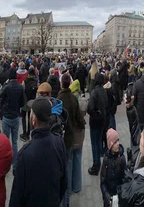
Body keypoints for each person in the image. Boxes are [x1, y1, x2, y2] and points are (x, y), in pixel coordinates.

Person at [9, 97, 67, 207]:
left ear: (34, 120)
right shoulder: (59, 142)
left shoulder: (24, 154)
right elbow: (64, 182)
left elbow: (17, 193)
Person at [58, 73, 86, 207]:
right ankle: (74, 187)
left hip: (63, 136)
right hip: (72, 134)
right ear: (69, 83)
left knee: (66, 164)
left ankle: (67, 192)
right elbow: (78, 116)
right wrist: (81, 125)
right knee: (73, 161)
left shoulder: (59, 98)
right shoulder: (73, 99)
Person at [0, 68, 26, 173]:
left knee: (6, 142)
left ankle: (5, 166)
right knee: (14, 142)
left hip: (6, 116)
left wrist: (4, 84)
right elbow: (22, 102)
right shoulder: (20, 87)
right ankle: (15, 166)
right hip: (15, 116)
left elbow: (0, 95)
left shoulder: (6, 87)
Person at [88, 72, 108, 175]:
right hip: (102, 120)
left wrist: (93, 113)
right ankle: (99, 163)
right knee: (99, 141)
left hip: (95, 121)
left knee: (94, 143)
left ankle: (96, 165)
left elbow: (90, 108)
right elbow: (106, 103)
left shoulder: (94, 92)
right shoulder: (103, 90)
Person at [100, 128, 126, 207]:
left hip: (119, 196)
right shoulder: (106, 160)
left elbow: (124, 179)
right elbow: (102, 182)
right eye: (115, 142)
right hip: (109, 198)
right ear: (110, 145)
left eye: (118, 141)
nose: (118, 144)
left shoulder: (122, 158)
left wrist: (120, 195)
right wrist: (107, 197)